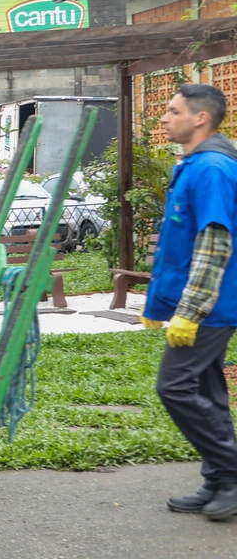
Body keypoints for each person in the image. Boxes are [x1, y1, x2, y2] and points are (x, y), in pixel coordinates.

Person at [139, 84, 237, 520]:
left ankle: (232, 473)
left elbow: (214, 245)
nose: (164, 118)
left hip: (213, 306)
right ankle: (220, 481)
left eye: (173, 111)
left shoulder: (213, 168)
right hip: (204, 305)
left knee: (175, 387)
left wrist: (190, 312)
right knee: (208, 391)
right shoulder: (194, 165)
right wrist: (159, 303)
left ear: (201, 118)